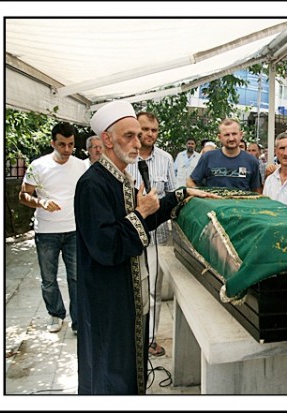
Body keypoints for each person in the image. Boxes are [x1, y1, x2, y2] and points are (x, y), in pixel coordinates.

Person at [74, 100, 216, 394]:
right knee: (111, 370)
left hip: (127, 292)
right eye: (129, 136)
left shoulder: (122, 178)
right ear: (107, 140)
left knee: (128, 365)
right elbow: (107, 246)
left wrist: (181, 195)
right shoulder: (93, 184)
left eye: (138, 136)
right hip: (109, 299)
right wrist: (140, 213)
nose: (138, 143)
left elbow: (143, 221)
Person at [19, 122, 87, 334]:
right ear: (52, 143)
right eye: (62, 144)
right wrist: (41, 202)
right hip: (46, 232)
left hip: (74, 230)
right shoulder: (38, 166)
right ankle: (55, 314)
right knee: (48, 279)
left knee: (77, 277)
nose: (67, 149)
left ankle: (78, 321)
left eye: (71, 145)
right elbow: (23, 195)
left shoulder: (81, 166)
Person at [126, 111, 176, 358]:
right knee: (130, 290)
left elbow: (173, 195)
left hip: (157, 237)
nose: (149, 134)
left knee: (154, 291)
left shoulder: (166, 159)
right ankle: (130, 337)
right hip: (129, 237)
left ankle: (150, 339)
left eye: (154, 130)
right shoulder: (126, 157)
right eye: (144, 129)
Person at [187, 118, 262, 193]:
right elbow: (190, 182)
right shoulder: (208, 157)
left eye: (234, 134)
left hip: (242, 200)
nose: (231, 138)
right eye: (227, 135)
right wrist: (200, 194)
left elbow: (257, 191)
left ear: (241, 135)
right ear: (220, 137)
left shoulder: (251, 161)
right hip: (213, 200)